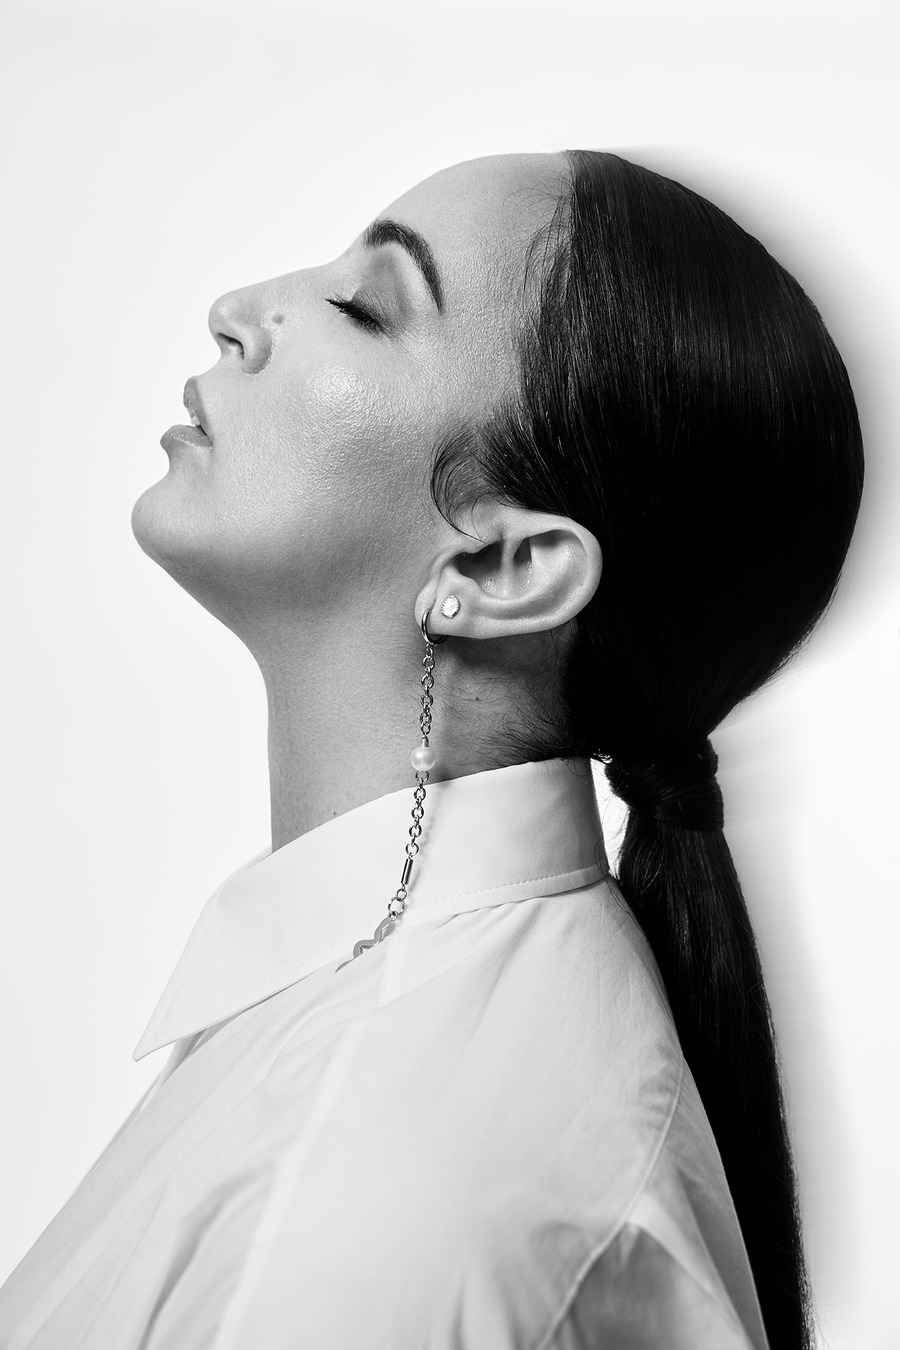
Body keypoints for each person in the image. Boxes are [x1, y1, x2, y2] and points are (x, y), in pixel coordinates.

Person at [0, 151, 863, 1350]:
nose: (238, 309)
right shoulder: (394, 1016)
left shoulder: (357, 1205)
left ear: (504, 569)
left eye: (365, 307)